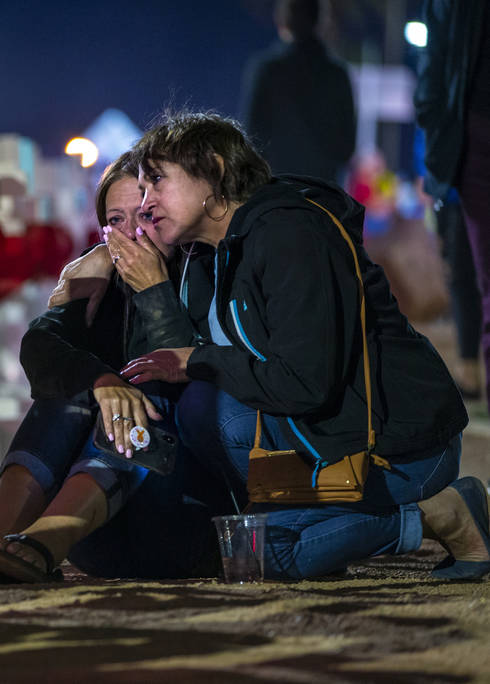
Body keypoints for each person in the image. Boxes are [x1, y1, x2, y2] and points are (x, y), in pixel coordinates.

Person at [122, 111, 488, 581]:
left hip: (396, 446)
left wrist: (200, 359)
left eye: (155, 180)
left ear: (213, 170)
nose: (145, 202)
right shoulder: (206, 253)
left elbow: (305, 384)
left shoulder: (290, 235)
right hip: (316, 433)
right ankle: (312, 516)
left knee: (264, 554)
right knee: (199, 410)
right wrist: (152, 288)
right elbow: (172, 367)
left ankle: (440, 512)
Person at [0, 152, 232, 583]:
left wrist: (153, 289)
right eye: (116, 220)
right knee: (70, 386)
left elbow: (186, 376)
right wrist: (101, 379)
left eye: (145, 215)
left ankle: (46, 540)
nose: (132, 232)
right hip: (99, 541)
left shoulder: (205, 273)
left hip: (183, 524)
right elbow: (40, 344)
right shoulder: (102, 284)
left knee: (148, 390)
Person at [415, 1, 490, 407]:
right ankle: (470, 367)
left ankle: (470, 368)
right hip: (471, 141)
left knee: (472, 276)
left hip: (471, 138)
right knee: (470, 273)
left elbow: (435, 66)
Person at [239, 0, 355, 184]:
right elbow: (347, 147)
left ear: (281, 20)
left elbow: (252, 136)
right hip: (323, 194)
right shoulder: (337, 75)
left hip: (277, 191)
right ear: (321, 21)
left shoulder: (267, 71)